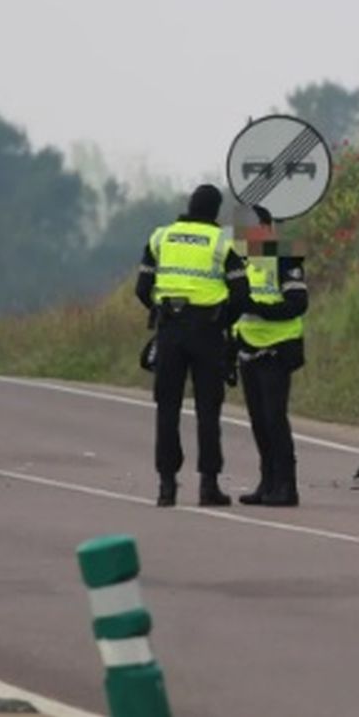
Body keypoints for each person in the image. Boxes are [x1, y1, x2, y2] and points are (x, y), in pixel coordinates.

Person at [135, 184, 249, 508]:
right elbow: (242, 294)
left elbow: (142, 287)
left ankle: (166, 486)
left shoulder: (161, 237)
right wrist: (222, 320)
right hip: (207, 332)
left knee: (167, 409)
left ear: (189, 205)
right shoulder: (221, 242)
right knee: (208, 410)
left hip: (170, 329)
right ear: (215, 212)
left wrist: (160, 312)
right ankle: (208, 486)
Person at [233, 206, 308, 506]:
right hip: (249, 347)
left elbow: (297, 303)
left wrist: (255, 307)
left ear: (267, 229)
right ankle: (267, 481)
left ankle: (287, 486)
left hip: (278, 346)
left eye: (251, 229)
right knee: (257, 420)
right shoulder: (241, 259)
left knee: (274, 418)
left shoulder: (285, 257)